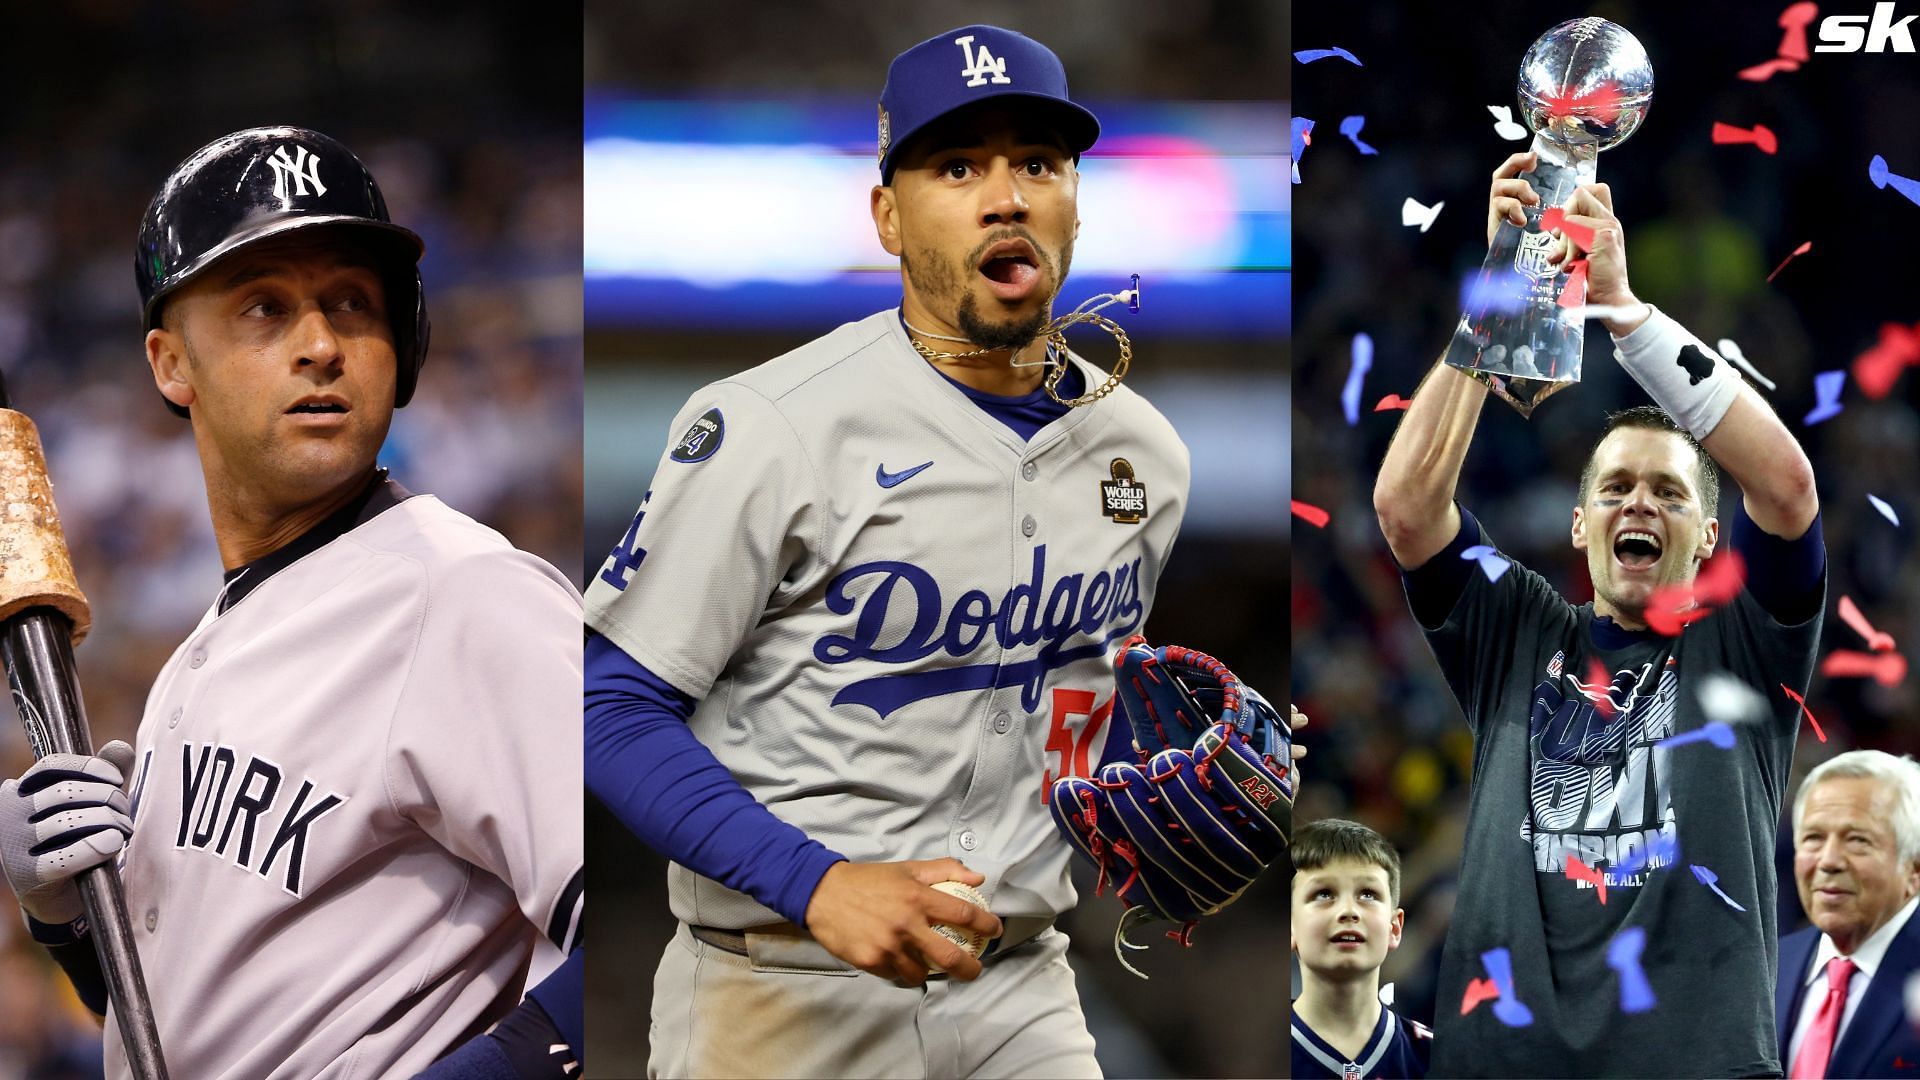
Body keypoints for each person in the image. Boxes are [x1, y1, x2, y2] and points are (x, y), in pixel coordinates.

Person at [583, 23, 1190, 1078]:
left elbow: (1056, 718)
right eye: (958, 166)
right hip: (777, 986)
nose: (1007, 197)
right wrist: (816, 881)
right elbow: (609, 703)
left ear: (1075, 204)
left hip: (1020, 987)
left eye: (1037, 164)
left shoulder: (1145, 458)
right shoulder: (769, 426)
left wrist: (1167, 793)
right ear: (887, 215)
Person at [0, 127, 584, 1078]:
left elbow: (650, 938)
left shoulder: (467, 595)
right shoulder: (211, 641)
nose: (321, 346)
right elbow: (175, 1035)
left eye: (352, 303)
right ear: (170, 365)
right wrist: (65, 918)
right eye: (264, 309)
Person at [1372, 150, 1825, 1076]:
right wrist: (1495, 296)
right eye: (1614, 489)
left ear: (1708, 539)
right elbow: (1408, 508)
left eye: (1669, 492)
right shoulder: (1519, 629)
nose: (1639, 506)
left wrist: (1622, 310)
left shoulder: (1744, 645)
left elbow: (1785, 486)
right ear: (1579, 527)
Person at [1777, 750, 1920, 1079]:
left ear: (1914, 868)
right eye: (1813, 838)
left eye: (1857, 840)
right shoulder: (1771, 965)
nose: (1828, 861)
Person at [1291, 818, 1432, 1079]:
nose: (1348, 911)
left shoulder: (1440, 1058)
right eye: (1324, 893)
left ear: (1394, 928)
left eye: (1368, 894)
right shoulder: (1247, 1056)